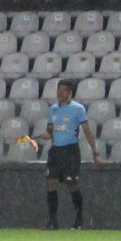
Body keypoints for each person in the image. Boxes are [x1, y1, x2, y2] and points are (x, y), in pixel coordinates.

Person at [43, 78, 90, 230]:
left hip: (70, 151)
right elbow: (50, 130)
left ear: (70, 93)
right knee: (51, 184)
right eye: (58, 89)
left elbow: (87, 130)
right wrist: (46, 134)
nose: (59, 93)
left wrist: (95, 151)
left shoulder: (78, 109)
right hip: (55, 151)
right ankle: (52, 222)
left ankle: (79, 221)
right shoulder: (53, 110)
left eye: (63, 90)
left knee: (72, 184)